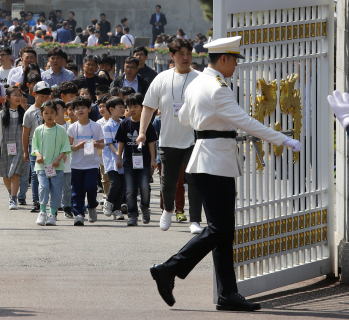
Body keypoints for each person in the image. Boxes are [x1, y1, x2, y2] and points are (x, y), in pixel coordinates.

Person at [149, 36, 301, 312]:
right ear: (224, 59)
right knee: (221, 230)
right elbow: (244, 121)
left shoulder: (197, 83)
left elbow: (184, 118)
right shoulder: (218, 88)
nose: (235, 67)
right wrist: (282, 139)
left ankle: (227, 294)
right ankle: (168, 268)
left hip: (207, 159)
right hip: (215, 162)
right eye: (234, 61)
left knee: (223, 232)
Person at [136, 38, 202, 233]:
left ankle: (195, 220)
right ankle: (168, 211)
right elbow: (148, 108)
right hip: (169, 139)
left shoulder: (200, 78)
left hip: (193, 139)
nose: (186, 57)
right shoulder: (162, 78)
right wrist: (141, 132)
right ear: (172, 56)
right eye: (181, 54)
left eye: (189, 54)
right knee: (168, 181)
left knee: (194, 180)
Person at [115, 93, 157, 226]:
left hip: (144, 161)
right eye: (129, 106)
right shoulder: (125, 124)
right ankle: (132, 215)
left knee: (144, 187)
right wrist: (119, 158)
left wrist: (153, 159)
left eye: (136, 106)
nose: (132, 109)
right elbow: (121, 142)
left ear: (142, 108)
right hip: (128, 162)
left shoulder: (147, 124)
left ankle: (145, 207)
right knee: (130, 189)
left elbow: (151, 142)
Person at [31, 99, 71, 226]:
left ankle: (52, 214)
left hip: (57, 167)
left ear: (56, 114)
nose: (49, 115)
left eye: (52, 113)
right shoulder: (38, 130)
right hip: (42, 166)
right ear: (42, 114)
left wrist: (58, 159)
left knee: (56, 190)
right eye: (46, 113)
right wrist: (38, 155)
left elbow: (65, 147)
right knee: (43, 187)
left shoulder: (61, 130)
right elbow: (34, 146)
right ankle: (42, 212)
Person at [66, 96, 105, 226]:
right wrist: (77, 147)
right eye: (77, 108)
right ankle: (78, 214)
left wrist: (95, 144)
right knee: (77, 190)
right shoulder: (72, 128)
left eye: (83, 107)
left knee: (91, 187)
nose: (80, 110)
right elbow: (68, 146)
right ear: (73, 112)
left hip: (92, 164)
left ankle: (92, 206)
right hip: (76, 165)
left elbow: (102, 144)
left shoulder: (96, 126)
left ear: (89, 109)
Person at [0, 86, 27, 210]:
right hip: (5, 147)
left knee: (15, 173)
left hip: (20, 148)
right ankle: (10, 192)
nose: (18, 98)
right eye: (15, 95)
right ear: (7, 98)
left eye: (19, 95)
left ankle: (13, 198)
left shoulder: (24, 114)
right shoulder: (2, 115)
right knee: (6, 175)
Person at [23, 81, 52, 212]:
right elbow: (26, 133)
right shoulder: (30, 112)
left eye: (47, 96)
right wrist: (25, 151)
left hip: (50, 147)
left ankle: (49, 199)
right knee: (35, 174)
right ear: (34, 94)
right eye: (42, 96)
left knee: (50, 173)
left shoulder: (52, 110)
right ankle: (36, 200)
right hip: (34, 147)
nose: (45, 98)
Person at [101, 96, 126, 220]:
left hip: (123, 159)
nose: (123, 109)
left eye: (123, 107)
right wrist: (118, 153)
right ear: (111, 109)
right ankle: (108, 201)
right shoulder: (108, 126)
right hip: (112, 159)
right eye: (120, 107)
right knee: (115, 182)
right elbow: (109, 143)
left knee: (122, 185)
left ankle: (117, 210)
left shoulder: (124, 123)